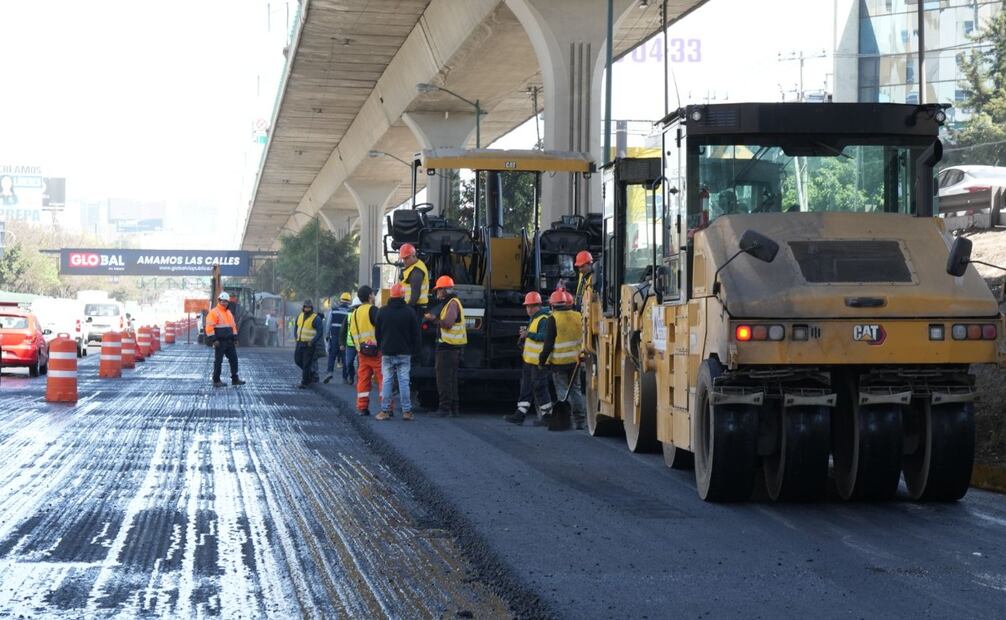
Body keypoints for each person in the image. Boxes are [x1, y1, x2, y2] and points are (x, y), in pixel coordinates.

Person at [503, 291, 553, 425]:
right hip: (529, 361)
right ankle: (520, 414)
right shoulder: (535, 318)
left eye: (532, 306)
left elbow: (545, 337)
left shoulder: (543, 319)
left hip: (539, 362)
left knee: (540, 387)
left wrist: (528, 334)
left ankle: (547, 416)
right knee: (526, 387)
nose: (529, 309)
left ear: (539, 306)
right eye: (527, 306)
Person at [375, 283, 421, 421]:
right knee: (404, 382)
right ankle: (407, 412)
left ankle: (385, 411)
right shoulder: (410, 312)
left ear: (391, 295)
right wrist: (415, 351)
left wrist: (381, 347)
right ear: (403, 296)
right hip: (404, 353)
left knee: (387, 381)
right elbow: (416, 334)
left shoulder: (382, 311)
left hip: (387, 352)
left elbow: (378, 333)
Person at [542, 290, 586, 430]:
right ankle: (580, 421)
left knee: (562, 392)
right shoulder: (578, 316)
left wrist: (541, 361)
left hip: (559, 363)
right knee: (576, 390)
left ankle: (566, 420)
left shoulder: (553, 319)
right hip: (576, 361)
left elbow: (548, 344)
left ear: (552, 305)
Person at [424, 275, 466, 417]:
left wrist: (433, 319)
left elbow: (448, 323)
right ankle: (454, 409)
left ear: (444, 290)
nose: (437, 293)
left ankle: (444, 409)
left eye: (438, 290)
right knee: (451, 379)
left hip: (448, 348)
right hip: (452, 348)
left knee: (443, 379)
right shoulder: (451, 303)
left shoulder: (452, 304)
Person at [349, 285, 381, 415]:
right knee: (383, 379)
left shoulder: (355, 313)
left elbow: (353, 333)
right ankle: (386, 408)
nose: (374, 296)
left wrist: (359, 348)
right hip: (376, 352)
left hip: (362, 352)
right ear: (369, 296)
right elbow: (381, 326)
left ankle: (362, 407)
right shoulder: (373, 310)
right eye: (373, 294)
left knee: (363, 380)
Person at [205, 292, 246, 387]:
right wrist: (214, 340)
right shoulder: (214, 312)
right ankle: (216, 380)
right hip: (219, 342)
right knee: (218, 361)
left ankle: (235, 379)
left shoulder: (228, 313)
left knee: (234, 360)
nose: (224, 303)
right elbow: (209, 327)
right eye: (223, 301)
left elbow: (233, 327)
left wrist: (235, 338)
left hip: (229, 341)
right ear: (219, 301)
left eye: (226, 302)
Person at [294, 299, 324, 388]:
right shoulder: (300, 316)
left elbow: (320, 332)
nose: (307, 309)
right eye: (306, 307)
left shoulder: (316, 318)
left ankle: (304, 382)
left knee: (306, 363)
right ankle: (310, 373)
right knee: (297, 360)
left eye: (309, 307)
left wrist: (312, 341)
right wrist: (296, 337)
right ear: (303, 308)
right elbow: (296, 327)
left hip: (309, 345)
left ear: (311, 308)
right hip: (300, 343)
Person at [323, 292, 352, 383]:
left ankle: (329, 372)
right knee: (345, 358)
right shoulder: (350, 312)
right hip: (345, 338)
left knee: (332, 355)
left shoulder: (334, 310)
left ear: (341, 300)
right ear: (349, 301)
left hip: (334, 337)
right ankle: (345, 378)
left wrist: (327, 335)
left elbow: (328, 324)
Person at [398, 243, 430, 315]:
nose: (404, 261)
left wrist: (408, 309)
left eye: (407, 258)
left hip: (416, 307)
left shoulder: (416, 271)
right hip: (415, 306)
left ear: (414, 255)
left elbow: (415, 294)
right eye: (403, 258)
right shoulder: (414, 266)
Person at [339, 297, 360, 385]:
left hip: (361, 344)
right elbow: (343, 330)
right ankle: (351, 376)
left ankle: (360, 381)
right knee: (348, 362)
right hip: (350, 344)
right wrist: (341, 343)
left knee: (361, 365)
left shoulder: (364, 315)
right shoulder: (349, 315)